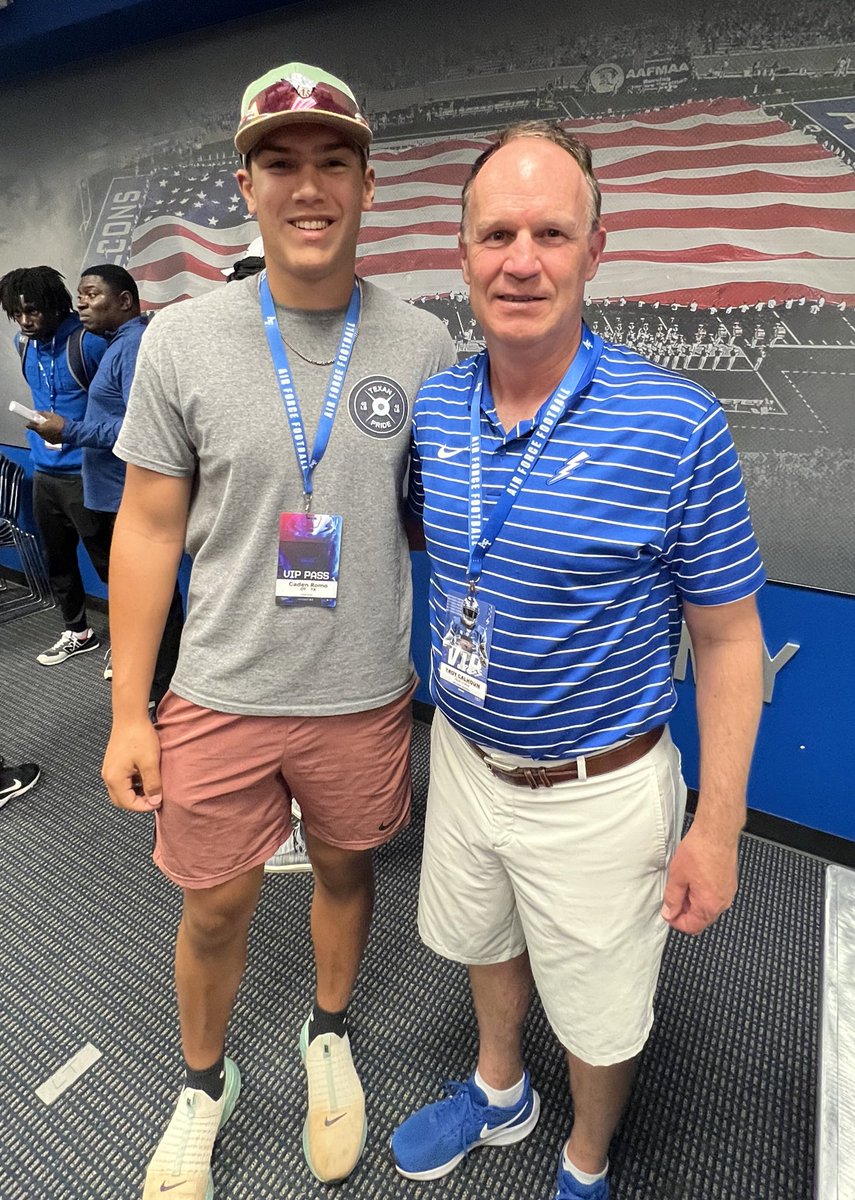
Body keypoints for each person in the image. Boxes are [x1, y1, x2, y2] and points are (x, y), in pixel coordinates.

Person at [391, 121, 765, 1200]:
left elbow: (730, 637)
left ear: (594, 250)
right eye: (495, 232)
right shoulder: (437, 409)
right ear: (461, 253)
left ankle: (586, 1156)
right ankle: (500, 1092)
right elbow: (435, 544)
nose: (521, 260)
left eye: (550, 232)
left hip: (599, 789)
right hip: (464, 755)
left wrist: (718, 822)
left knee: (602, 1010)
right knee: (484, 938)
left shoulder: (677, 426)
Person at [100, 61, 455, 1199]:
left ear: (364, 182)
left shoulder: (422, 345)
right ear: (246, 185)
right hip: (219, 691)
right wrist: (127, 711)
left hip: (360, 694)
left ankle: (328, 1032)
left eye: (332, 162)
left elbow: (437, 527)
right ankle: (203, 1085)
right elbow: (149, 532)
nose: (309, 187)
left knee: (347, 872)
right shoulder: (182, 342)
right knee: (216, 904)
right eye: (282, 163)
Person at [28, 264, 183, 708]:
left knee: (153, 596)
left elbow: (142, 428)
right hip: (111, 494)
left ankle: (163, 692)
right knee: (138, 594)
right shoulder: (118, 346)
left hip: (126, 497)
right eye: (80, 295)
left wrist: (70, 431)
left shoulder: (133, 346)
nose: (82, 303)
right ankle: (153, 681)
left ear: (125, 301)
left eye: (92, 294)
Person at [0, 266, 108, 665]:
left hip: (89, 474)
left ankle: (133, 640)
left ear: (55, 305)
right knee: (57, 562)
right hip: (45, 473)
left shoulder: (88, 343)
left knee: (111, 563)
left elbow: (118, 407)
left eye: (34, 312)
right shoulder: (23, 344)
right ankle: (78, 631)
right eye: (18, 314)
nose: (26, 321)